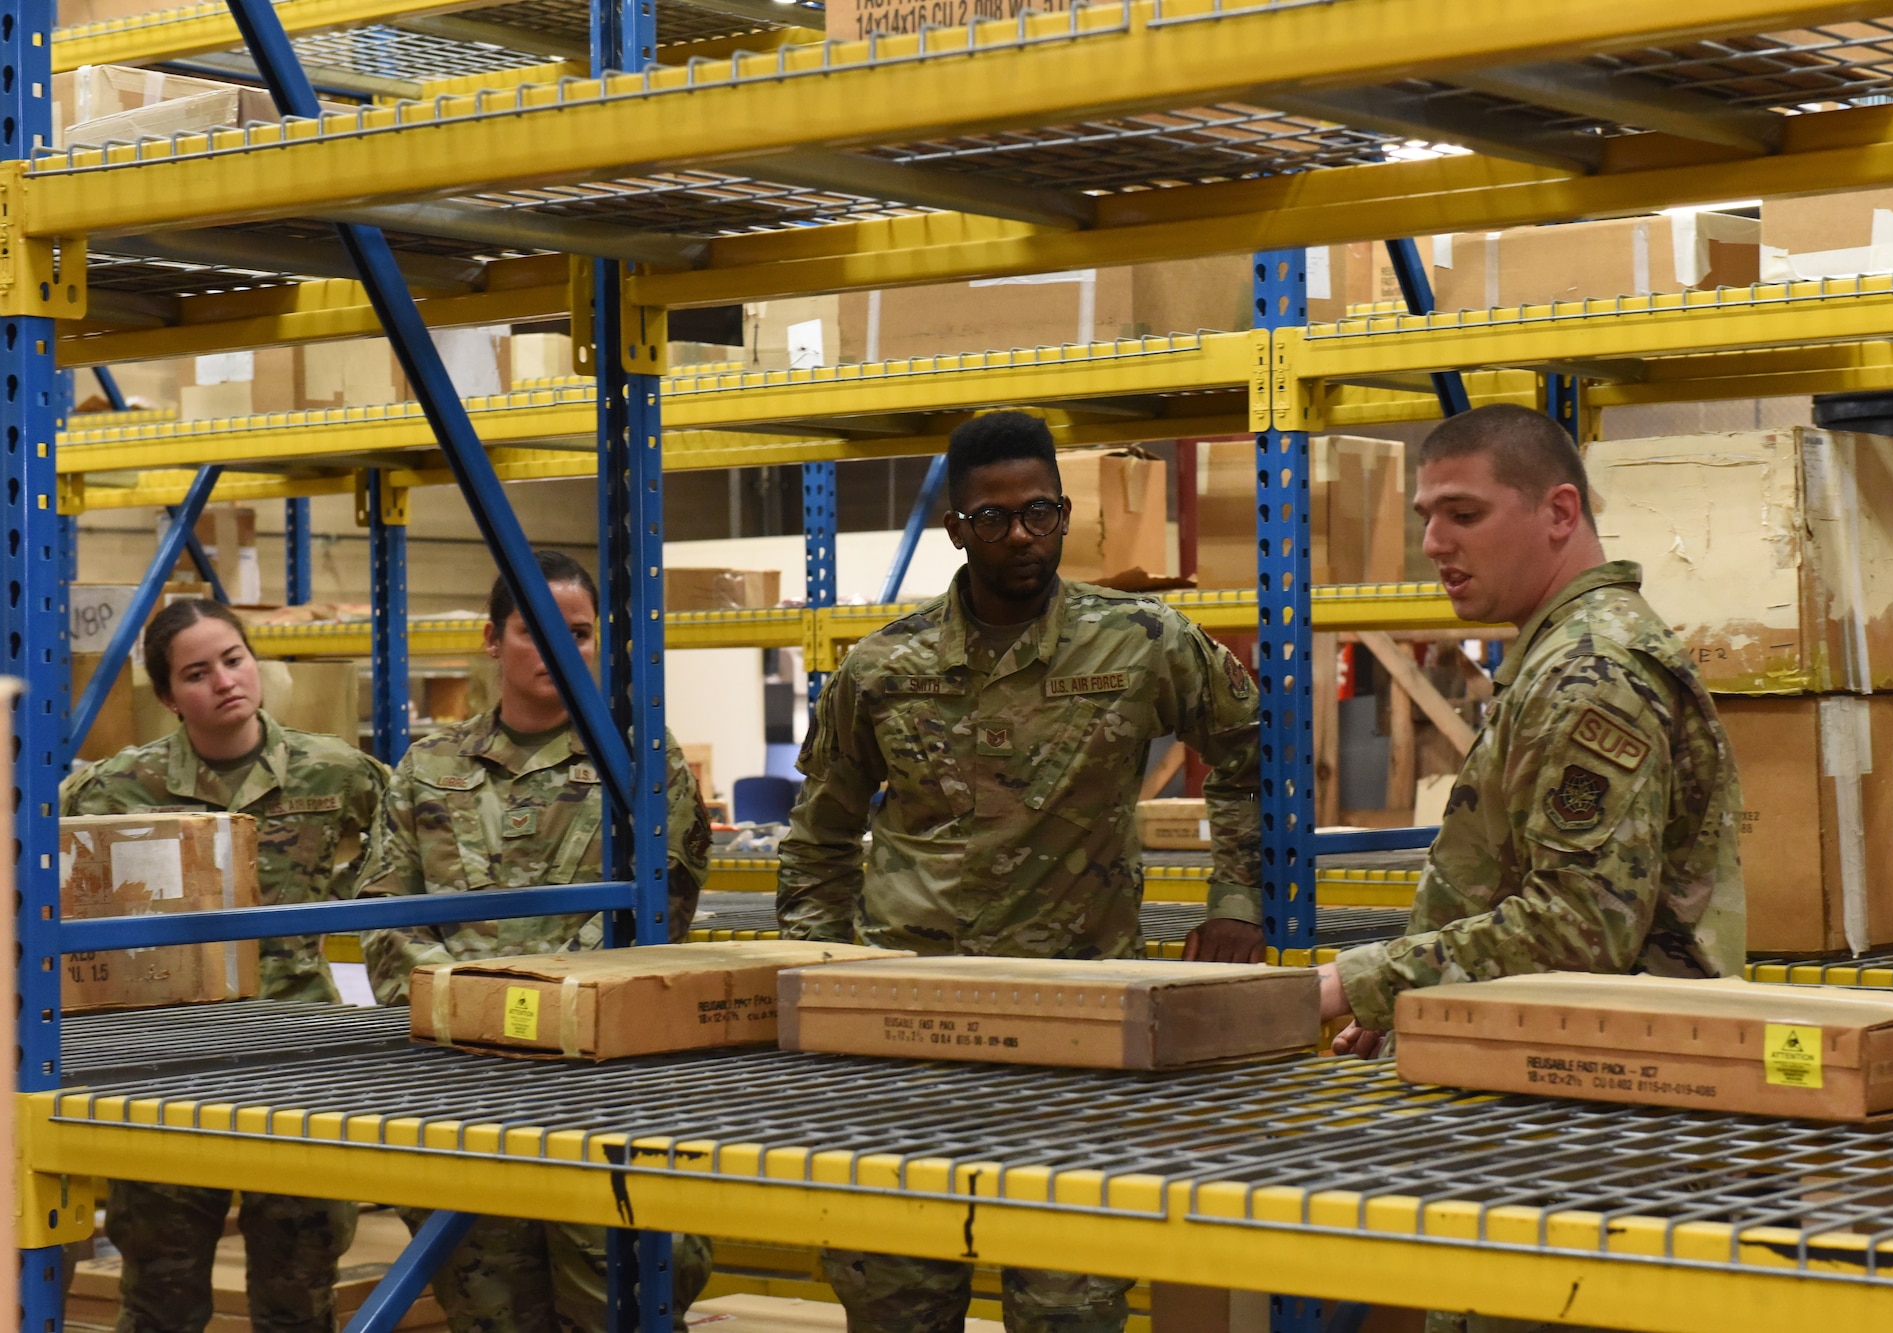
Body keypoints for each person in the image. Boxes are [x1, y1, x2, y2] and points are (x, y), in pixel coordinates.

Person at [779, 410, 1262, 1333]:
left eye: (1040, 513)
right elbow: (819, 840)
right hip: (904, 1040)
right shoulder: (883, 667)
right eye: (993, 519)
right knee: (894, 1299)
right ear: (956, 529)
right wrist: (820, 985)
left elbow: (1248, 752)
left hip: (1076, 1035)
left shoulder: (1142, 642)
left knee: (1070, 1305)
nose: (1021, 538)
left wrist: (1234, 895)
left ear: (1066, 513)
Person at [1321, 405, 1745, 1096]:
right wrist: (1406, 997)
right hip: (1555, 1067)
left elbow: (1579, 925)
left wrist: (1361, 979)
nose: (1432, 542)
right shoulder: (1563, 655)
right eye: (1426, 516)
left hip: (1605, 1096)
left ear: (1559, 512)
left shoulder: (1592, 674)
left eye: (1463, 514)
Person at [355, 549, 713, 1333]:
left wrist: (535, 1011)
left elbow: (661, 913)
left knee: (618, 1303)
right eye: (536, 630)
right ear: (491, 638)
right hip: (462, 1091)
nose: (560, 648)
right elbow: (386, 912)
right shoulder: (427, 769)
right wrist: (469, 1006)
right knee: (487, 1304)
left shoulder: (641, 763)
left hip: (604, 1088)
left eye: (579, 632)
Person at [61, 598, 391, 1333]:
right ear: (171, 693)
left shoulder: (334, 771)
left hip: (297, 1058)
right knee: (159, 1295)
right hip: (167, 1066)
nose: (224, 682)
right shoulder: (117, 787)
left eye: (234, 659)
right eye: (197, 672)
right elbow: (40, 882)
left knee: (299, 1292)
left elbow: (405, 868)